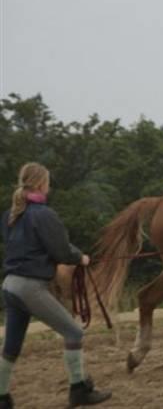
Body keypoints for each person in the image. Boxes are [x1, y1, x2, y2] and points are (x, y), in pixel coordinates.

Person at [0, 163, 112, 408]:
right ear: (42, 184)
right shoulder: (43, 214)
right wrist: (80, 257)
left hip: (9, 286)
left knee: (11, 347)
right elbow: (60, 250)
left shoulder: (10, 215)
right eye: (48, 182)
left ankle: (2, 397)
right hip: (31, 287)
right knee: (74, 333)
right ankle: (78, 390)